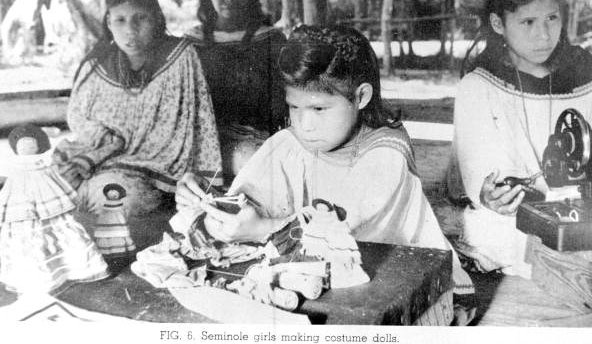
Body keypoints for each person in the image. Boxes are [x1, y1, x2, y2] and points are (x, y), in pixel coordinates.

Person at [177, 25, 475, 298]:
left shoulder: (386, 155)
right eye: (294, 106)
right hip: (315, 271)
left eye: (319, 108)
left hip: (392, 276)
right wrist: (210, 204)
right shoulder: (291, 143)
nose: (305, 124)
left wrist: (259, 229)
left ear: (361, 97)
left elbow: (349, 243)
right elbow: (248, 202)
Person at [53, 0, 222, 259]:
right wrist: (104, 143)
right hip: (100, 161)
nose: (130, 30)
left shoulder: (181, 57)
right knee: (49, 185)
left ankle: (104, 260)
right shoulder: (98, 65)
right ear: (108, 22)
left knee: (114, 198)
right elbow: (80, 120)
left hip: (157, 170)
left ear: (156, 18)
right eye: (119, 20)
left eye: (140, 18)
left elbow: (200, 118)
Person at [447, 0, 592, 277]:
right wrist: (490, 196)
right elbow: (480, 178)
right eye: (528, 22)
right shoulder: (478, 88)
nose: (543, 35)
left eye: (552, 19)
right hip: (509, 225)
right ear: (499, 23)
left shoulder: (588, 76)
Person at [187, 0, 287, 181]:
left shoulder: (271, 40)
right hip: (203, 144)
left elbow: (284, 105)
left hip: (256, 142)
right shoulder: (192, 44)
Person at [0, 125, 108, 293]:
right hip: (24, 210)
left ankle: (71, 268)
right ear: (16, 148)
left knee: (60, 232)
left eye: (31, 145)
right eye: (22, 146)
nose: (26, 148)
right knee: (31, 240)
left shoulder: (45, 168)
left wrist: (70, 198)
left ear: (39, 146)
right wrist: (2, 208)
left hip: (50, 207)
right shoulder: (15, 171)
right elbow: (8, 191)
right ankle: (40, 277)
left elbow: (59, 184)